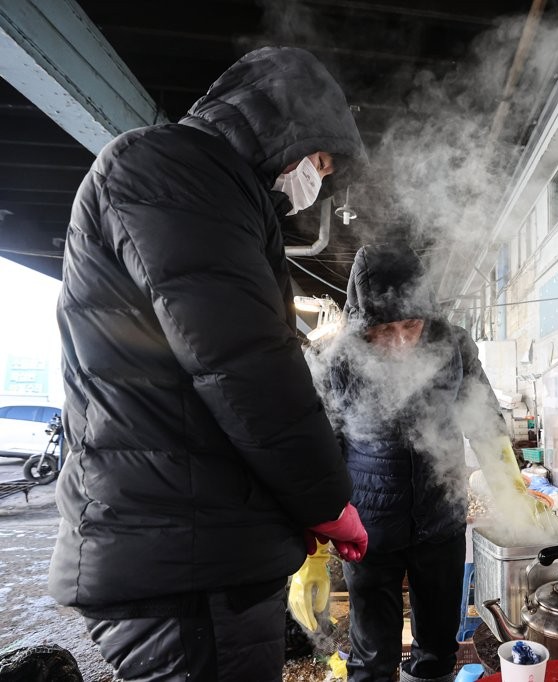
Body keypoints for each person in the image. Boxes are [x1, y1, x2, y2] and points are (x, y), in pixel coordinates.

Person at [49, 47, 371, 681]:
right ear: (284, 129)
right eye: (318, 160)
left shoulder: (208, 192)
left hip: (193, 546)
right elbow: (245, 364)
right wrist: (326, 500)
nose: (314, 179)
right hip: (184, 559)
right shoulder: (174, 171)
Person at [304, 242, 546, 682]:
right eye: (384, 330)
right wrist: (313, 541)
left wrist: (511, 487)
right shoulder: (336, 360)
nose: (399, 341)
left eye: (410, 325)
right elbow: (316, 450)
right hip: (367, 531)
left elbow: (485, 419)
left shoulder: (452, 346)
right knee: (373, 656)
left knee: (437, 649)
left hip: (441, 521)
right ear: (363, 324)